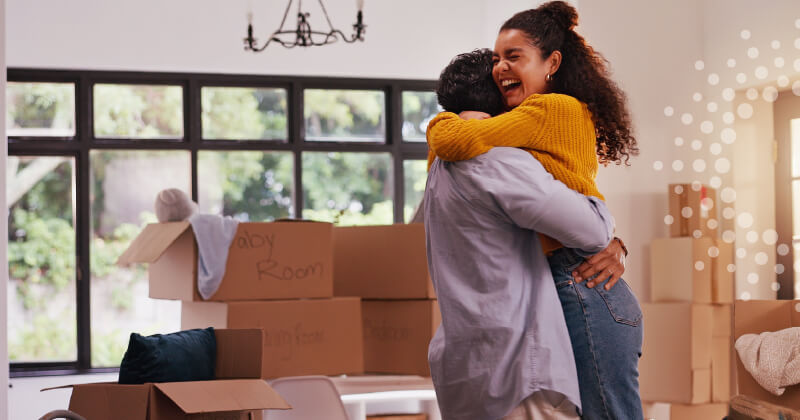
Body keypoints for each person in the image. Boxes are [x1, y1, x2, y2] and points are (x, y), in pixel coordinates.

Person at [425, 2, 642, 419]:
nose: (500, 68)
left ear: (551, 63)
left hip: (582, 282)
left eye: (513, 56)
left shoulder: (548, 110)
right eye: (497, 59)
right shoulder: (512, 139)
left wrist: (441, 124)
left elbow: (458, 142)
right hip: (571, 276)